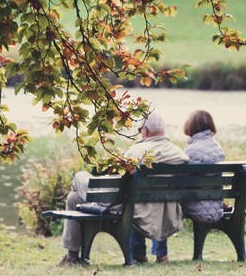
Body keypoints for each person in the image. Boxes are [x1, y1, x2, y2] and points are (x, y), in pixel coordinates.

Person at [59, 112, 189, 266]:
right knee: (73, 198)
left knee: (80, 176)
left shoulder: (135, 153)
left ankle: (72, 258)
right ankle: (72, 258)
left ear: (144, 131)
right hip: (163, 212)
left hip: (133, 211)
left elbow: (116, 183)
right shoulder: (180, 155)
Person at [146, 109, 226, 262]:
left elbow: (180, 179)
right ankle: (161, 254)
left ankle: (160, 253)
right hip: (215, 204)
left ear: (191, 126)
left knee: (164, 204)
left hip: (196, 204)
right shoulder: (218, 148)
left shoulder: (191, 150)